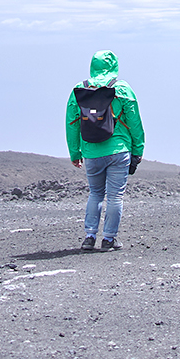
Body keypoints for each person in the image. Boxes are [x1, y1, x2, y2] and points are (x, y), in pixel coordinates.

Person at [65, 50, 145, 252]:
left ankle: (89, 236)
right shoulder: (122, 88)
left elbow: (72, 124)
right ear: (114, 66)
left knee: (96, 194)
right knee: (115, 196)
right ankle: (109, 239)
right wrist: (138, 149)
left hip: (91, 151)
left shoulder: (79, 89)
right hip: (119, 150)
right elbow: (135, 122)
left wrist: (75, 153)